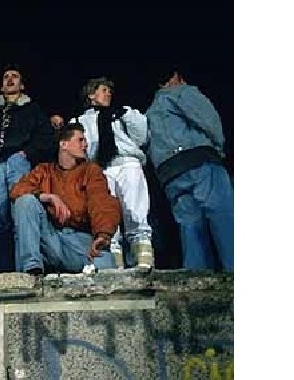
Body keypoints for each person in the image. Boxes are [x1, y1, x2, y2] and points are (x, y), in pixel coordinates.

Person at [145, 68, 233, 271]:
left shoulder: (150, 112)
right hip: (199, 160)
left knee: (190, 223)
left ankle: (196, 275)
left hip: (170, 173)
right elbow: (208, 119)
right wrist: (219, 147)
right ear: (175, 77)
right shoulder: (182, 92)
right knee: (223, 213)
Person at [10, 122, 121, 274]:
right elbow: (17, 190)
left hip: (79, 242)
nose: (85, 145)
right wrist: (48, 197)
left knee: (107, 267)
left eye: (85, 140)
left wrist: (103, 234)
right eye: (80, 140)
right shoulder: (44, 171)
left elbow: (101, 202)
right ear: (64, 144)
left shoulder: (90, 171)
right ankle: (31, 269)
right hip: (51, 238)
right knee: (26, 201)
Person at [74, 77, 154, 270]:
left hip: (127, 162)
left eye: (110, 91)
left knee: (135, 210)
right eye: (103, 90)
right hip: (100, 169)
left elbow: (142, 136)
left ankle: (143, 261)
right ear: (91, 95)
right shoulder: (80, 121)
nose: (108, 93)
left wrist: (127, 116)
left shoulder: (122, 114)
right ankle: (114, 264)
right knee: (108, 215)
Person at [0, 65, 54, 272]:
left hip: (17, 161)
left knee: (19, 211)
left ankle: (25, 266)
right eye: (6, 77)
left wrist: (26, 154)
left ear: (22, 85)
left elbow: (45, 137)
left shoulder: (32, 109)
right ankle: (3, 269)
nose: (10, 79)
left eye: (14, 77)